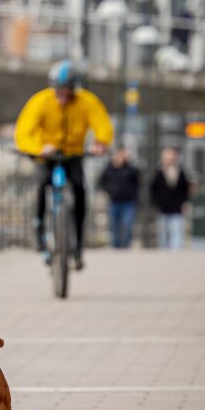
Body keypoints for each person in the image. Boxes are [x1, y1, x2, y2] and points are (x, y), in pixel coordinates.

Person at [13, 59, 113, 270]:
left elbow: (101, 123)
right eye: (59, 92)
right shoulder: (40, 101)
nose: (63, 98)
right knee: (42, 185)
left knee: (80, 189)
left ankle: (77, 241)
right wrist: (38, 148)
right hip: (47, 155)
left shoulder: (87, 101)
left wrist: (100, 142)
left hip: (73, 154)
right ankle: (39, 227)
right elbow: (23, 132)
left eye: (68, 93)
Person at [98, 146, 141, 248]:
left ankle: (126, 246)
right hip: (114, 201)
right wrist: (109, 191)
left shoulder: (131, 169)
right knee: (114, 226)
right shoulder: (109, 169)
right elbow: (102, 182)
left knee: (127, 225)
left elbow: (138, 181)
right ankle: (116, 246)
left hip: (128, 202)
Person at [150, 147, 190, 249]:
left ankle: (176, 254)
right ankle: (164, 253)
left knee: (176, 232)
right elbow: (153, 189)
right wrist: (155, 203)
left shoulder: (180, 172)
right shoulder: (158, 173)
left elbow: (185, 189)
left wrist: (184, 202)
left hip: (176, 208)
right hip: (163, 208)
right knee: (163, 234)